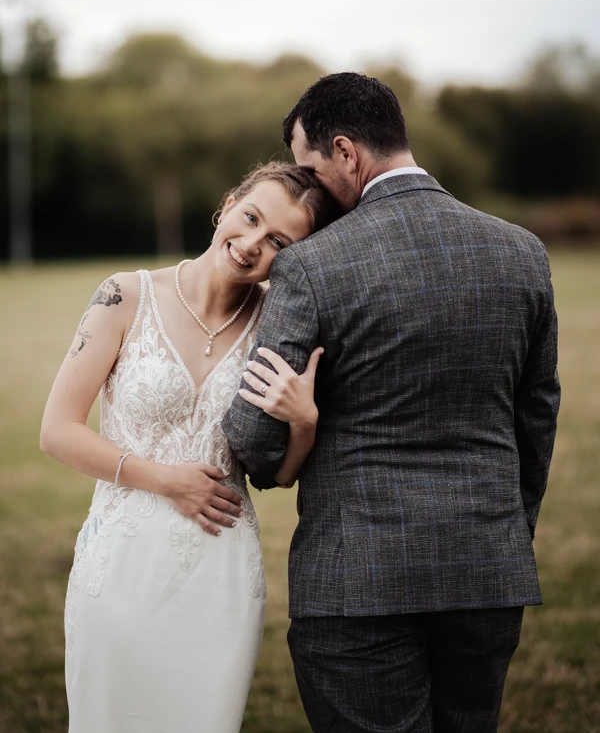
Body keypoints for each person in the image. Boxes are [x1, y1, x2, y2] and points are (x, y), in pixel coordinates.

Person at [223, 73, 560, 733]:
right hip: (489, 571)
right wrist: (505, 534)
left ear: (346, 152)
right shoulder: (524, 251)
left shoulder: (313, 265)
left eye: (309, 170)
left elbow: (254, 435)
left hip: (357, 582)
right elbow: (537, 417)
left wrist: (286, 443)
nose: (309, 189)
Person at [40, 162, 336, 733]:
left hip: (221, 571)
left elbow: (275, 477)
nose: (251, 245)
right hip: (121, 565)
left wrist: (304, 424)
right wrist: (163, 479)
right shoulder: (124, 295)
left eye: (278, 240)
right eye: (250, 218)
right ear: (227, 204)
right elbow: (57, 431)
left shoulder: (279, 324)